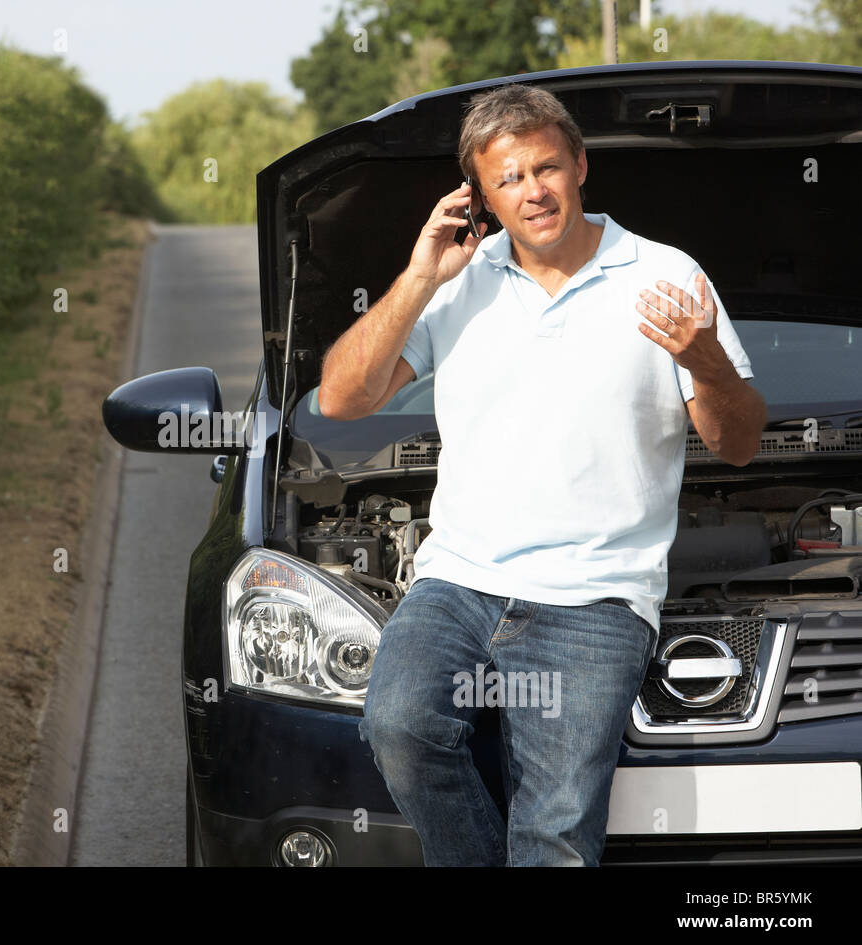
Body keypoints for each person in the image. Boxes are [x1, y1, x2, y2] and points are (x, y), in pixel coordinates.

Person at [316, 83, 767, 866]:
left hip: (595, 596)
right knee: (398, 726)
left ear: (580, 165)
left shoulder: (665, 276)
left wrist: (708, 365)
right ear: (480, 196)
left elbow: (739, 446)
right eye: (510, 178)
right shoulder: (459, 282)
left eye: (547, 168)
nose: (534, 191)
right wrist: (423, 274)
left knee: (555, 835)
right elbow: (341, 398)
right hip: (457, 581)